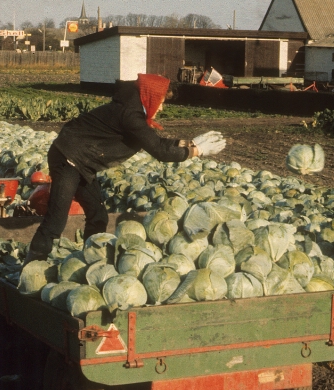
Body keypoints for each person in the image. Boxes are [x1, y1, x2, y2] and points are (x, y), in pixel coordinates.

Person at [25, 73, 226, 263]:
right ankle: (32, 264)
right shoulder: (130, 115)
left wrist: (187, 143)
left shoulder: (132, 110)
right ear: (152, 96)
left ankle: (90, 259)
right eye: (162, 101)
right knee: (56, 221)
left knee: (98, 216)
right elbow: (159, 151)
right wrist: (196, 151)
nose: (162, 108)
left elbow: (154, 142)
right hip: (67, 157)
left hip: (82, 162)